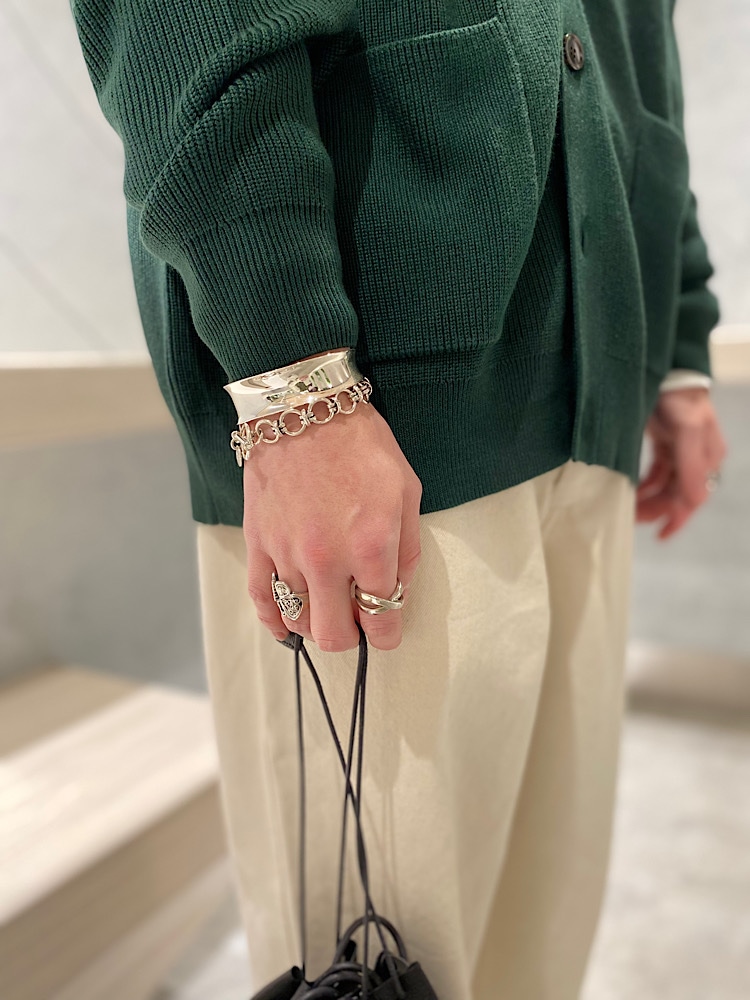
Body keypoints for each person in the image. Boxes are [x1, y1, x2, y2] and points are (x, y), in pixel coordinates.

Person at [71, 1, 728, 997]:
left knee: (539, 942)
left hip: (600, 376)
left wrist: (679, 341)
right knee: (374, 959)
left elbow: (646, 46)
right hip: (367, 421)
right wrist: (293, 378)